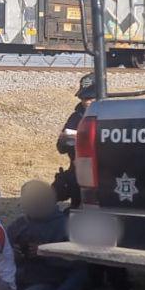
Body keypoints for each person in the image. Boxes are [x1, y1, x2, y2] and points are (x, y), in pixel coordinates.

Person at [3, 180, 93, 290]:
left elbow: (77, 262)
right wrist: (13, 254)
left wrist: (47, 252)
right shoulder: (19, 225)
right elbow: (2, 250)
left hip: (49, 280)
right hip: (20, 276)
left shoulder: (64, 226)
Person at [53, 73, 94, 209]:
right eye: (83, 98)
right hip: (76, 172)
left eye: (90, 98)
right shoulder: (75, 117)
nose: (86, 102)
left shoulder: (109, 116)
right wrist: (65, 140)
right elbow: (60, 148)